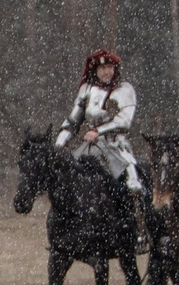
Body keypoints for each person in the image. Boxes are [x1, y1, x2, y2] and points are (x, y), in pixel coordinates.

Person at [57, 49, 142, 193]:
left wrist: (98, 131)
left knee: (133, 187)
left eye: (109, 67)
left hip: (115, 145)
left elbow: (124, 122)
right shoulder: (87, 89)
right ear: (95, 70)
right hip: (89, 146)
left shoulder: (124, 89)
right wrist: (58, 145)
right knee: (65, 182)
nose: (106, 72)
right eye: (102, 68)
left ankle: (139, 210)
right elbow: (72, 122)